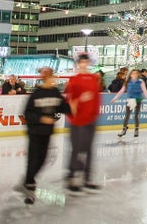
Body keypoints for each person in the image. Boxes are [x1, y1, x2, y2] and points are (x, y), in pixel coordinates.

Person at [21, 67, 68, 203]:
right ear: (47, 78)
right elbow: (27, 113)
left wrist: (74, 105)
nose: (54, 80)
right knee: (33, 160)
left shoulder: (55, 92)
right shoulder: (36, 94)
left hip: (47, 133)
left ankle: (28, 180)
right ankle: (30, 187)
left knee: (42, 160)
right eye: (52, 77)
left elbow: (63, 107)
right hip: (35, 132)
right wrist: (41, 119)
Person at [63, 53, 101, 192]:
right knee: (76, 149)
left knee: (89, 149)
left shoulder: (93, 78)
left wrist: (95, 114)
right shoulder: (74, 80)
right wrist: (80, 101)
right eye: (82, 62)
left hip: (91, 119)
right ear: (78, 64)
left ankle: (87, 178)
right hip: (78, 121)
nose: (84, 64)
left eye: (86, 62)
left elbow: (96, 98)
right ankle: (72, 176)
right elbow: (70, 102)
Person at [111, 69, 147, 139]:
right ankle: (124, 129)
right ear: (130, 74)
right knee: (127, 115)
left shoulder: (141, 81)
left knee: (136, 115)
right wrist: (115, 98)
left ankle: (136, 129)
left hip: (138, 99)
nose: (134, 75)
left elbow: (145, 91)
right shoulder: (127, 82)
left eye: (136, 73)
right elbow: (122, 90)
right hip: (130, 100)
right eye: (133, 73)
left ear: (138, 74)